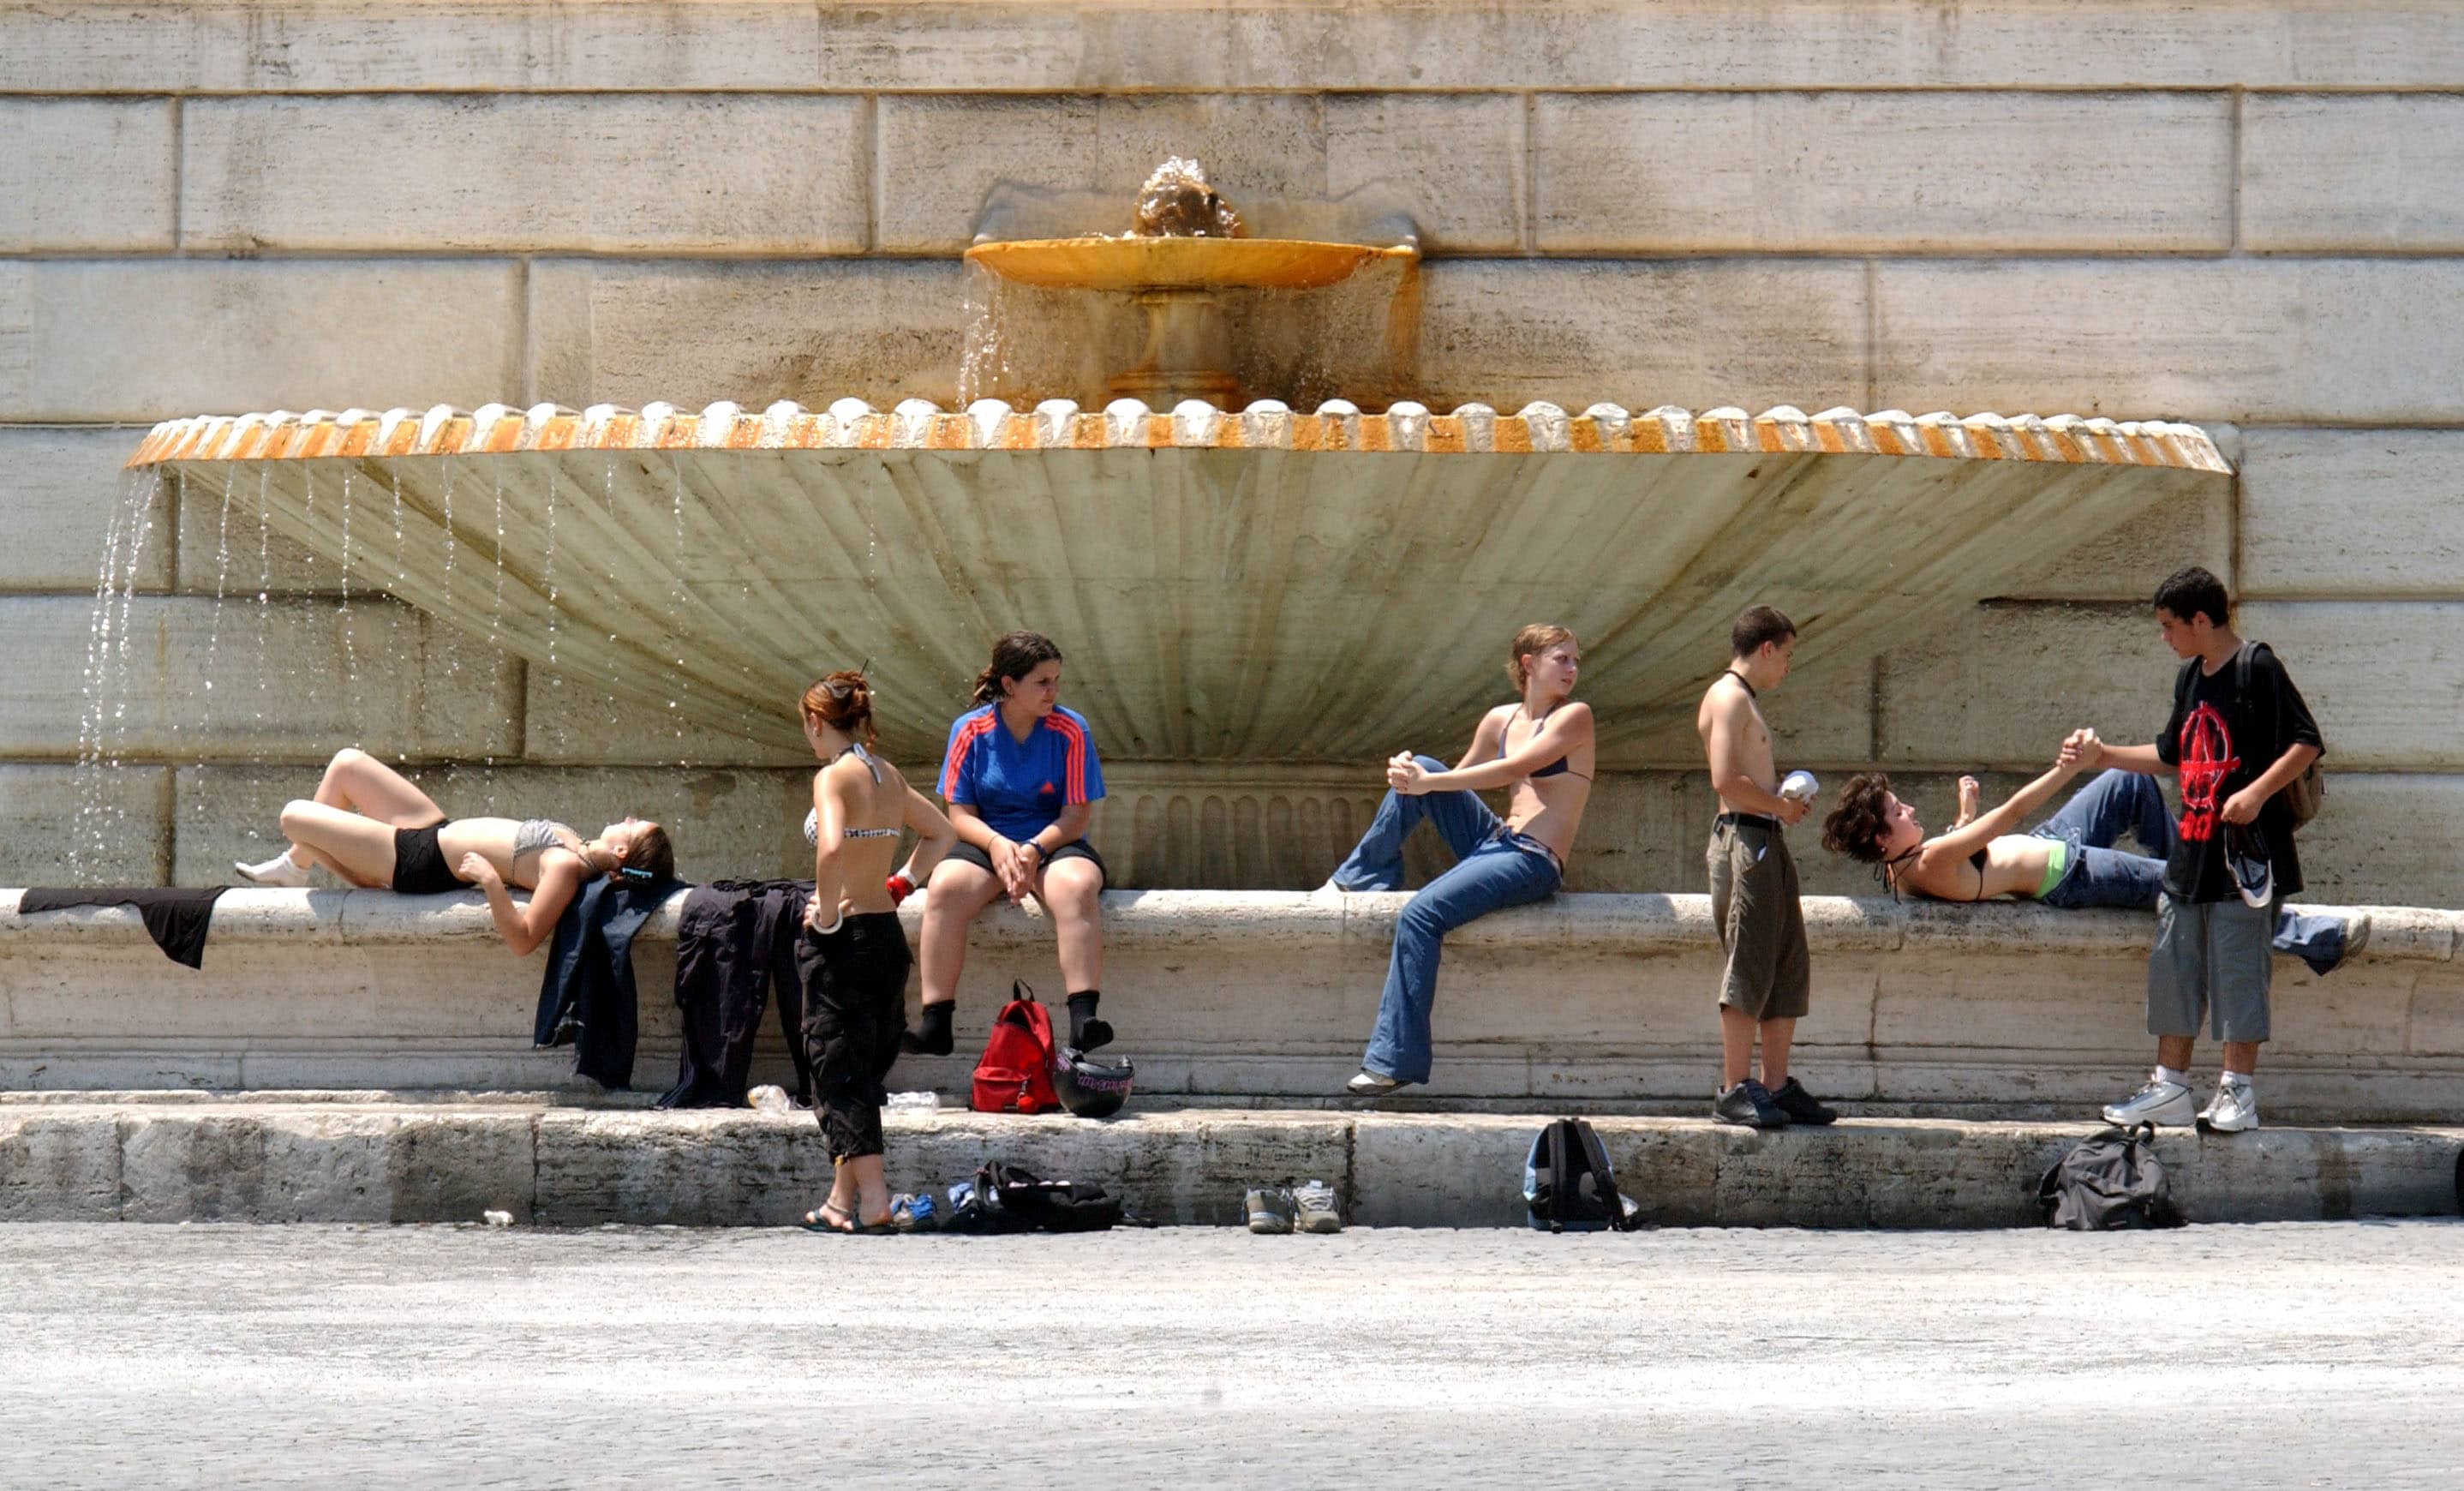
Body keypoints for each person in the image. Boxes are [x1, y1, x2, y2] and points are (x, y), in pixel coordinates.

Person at [2072, 566, 2326, 1135]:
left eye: (2170, 626)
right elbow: (2172, 754)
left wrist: (2256, 794)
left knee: (2240, 970)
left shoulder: (2256, 665)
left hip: (2247, 855)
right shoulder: (2190, 678)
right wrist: (2103, 754)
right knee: (2173, 965)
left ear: (2201, 619)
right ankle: (2169, 1088)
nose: (2165, 637)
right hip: (2191, 854)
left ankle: (2238, 1094)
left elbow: (2307, 741)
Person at [1329, 625, 1594, 1096]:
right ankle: (1358, 877)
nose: (1574, 669)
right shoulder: (1500, 719)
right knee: (1429, 767)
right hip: (1495, 839)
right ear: (1529, 664)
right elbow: (1459, 779)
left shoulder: (1575, 717)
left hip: (1533, 859)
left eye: (1576, 660)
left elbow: (1513, 770)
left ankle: (1393, 1062)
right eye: (1563, 659)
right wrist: (1410, 775)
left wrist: (1426, 785)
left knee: (1420, 915)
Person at [1819, 754, 2362, 973]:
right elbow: (2012, 811)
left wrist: (1963, 814)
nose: (1908, 808)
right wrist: (2069, 767)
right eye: (1897, 810)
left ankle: (2197, 875)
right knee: (2180, 877)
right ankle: (2304, 938)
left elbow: (1971, 854)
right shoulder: (1927, 859)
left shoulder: (1905, 867)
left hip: (2051, 843)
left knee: (2131, 783)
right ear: (1879, 836)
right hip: (2071, 874)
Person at [792, 670, 959, 1234]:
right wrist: (904, 881)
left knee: (839, 1075)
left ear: (817, 722)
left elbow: (833, 845)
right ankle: (842, 1202)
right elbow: (941, 833)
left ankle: (874, 1202)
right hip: (887, 937)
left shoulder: (833, 777)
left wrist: (830, 913)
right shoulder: (886, 775)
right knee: (858, 1072)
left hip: (844, 940)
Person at [233, 747, 673, 956]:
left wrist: (489, 881)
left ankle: (340, 866)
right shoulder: (577, 848)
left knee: (293, 816)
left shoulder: (565, 868)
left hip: (416, 862)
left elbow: (522, 938)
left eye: (635, 827)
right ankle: (298, 863)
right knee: (347, 763)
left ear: (620, 850)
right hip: (432, 828)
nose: (630, 818)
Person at [913, 632, 1114, 1057]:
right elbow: (959, 816)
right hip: (987, 840)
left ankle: (1084, 1020)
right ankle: (936, 1022)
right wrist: (999, 846)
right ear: (1009, 685)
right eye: (1042, 682)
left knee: (1076, 888)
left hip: (1055, 841)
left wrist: (1033, 850)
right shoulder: (968, 730)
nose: (1053, 691)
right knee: (944, 888)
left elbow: (1076, 816)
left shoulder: (1071, 729)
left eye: (1056, 680)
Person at [1696, 605, 1832, 1129]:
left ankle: (1775, 1085)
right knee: (1750, 963)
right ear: (1767, 648)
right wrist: (1782, 806)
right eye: (1788, 655)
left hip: (1763, 840)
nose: (1788, 668)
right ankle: (1733, 1089)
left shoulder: (1742, 701)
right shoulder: (1728, 698)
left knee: (1784, 960)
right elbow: (1725, 781)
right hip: (1744, 840)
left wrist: (1782, 803)